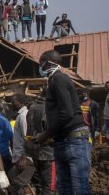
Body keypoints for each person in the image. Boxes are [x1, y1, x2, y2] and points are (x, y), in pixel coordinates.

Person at [36, 50, 92, 194]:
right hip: (63, 141)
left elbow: (67, 113)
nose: (39, 67)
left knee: (79, 188)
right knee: (65, 188)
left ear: (47, 63)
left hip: (74, 141)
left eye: (40, 63)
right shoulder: (54, 80)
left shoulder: (59, 79)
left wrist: (46, 134)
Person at [25, 100, 56, 195]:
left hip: (35, 152)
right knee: (50, 186)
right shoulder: (49, 109)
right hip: (49, 154)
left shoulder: (31, 109)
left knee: (40, 184)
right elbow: (51, 132)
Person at [8, 94, 35, 195]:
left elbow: (26, 137)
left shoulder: (24, 116)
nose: (11, 105)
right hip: (21, 156)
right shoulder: (21, 115)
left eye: (13, 102)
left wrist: (23, 158)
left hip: (25, 157)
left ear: (21, 102)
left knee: (17, 185)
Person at [104, 81, 109, 147]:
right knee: (105, 130)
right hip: (106, 116)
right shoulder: (108, 94)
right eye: (107, 85)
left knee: (106, 131)